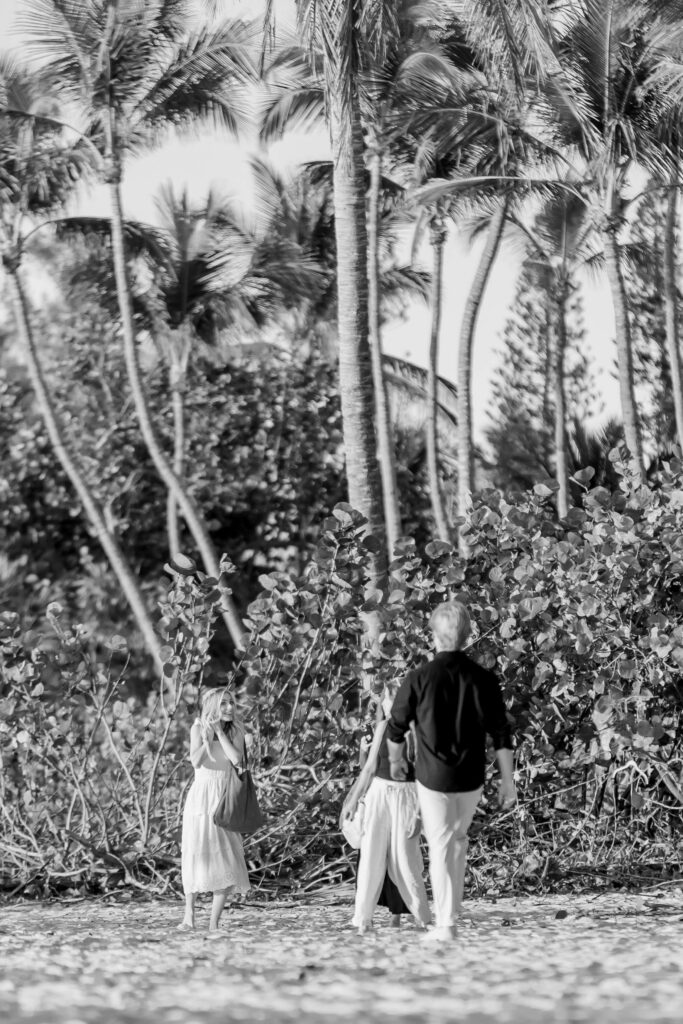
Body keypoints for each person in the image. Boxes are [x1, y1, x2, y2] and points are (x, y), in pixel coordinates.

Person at [386, 601, 515, 943]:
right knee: (457, 843)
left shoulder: (419, 677)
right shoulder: (483, 678)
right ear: (467, 635)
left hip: (433, 777)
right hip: (471, 776)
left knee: (443, 846)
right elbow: (501, 734)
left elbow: (395, 728)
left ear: (434, 635)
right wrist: (509, 782)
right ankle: (450, 917)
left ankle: (446, 924)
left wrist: (397, 763)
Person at [340, 682, 431, 936]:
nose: (392, 702)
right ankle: (364, 919)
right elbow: (369, 768)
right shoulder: (382, 727)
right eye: (389, 698)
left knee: (406, 858)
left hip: (407, 795)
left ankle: (422, 917)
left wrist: (420, 813)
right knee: (370, 856)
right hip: (378, 792)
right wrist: (352, 801)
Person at [178, 686, 250, 933]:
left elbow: (237, 760)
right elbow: (196, 760)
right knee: (196, 853)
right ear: (212, 707)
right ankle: (189, 914)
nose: (230, 707)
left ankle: (214, 921)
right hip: (201, 798)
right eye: (223, 704)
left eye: (231, 703)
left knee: (227, 857)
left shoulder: (236, 729)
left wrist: (220, 732)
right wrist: (209, 734)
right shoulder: (197, 727)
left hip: (224, 797)